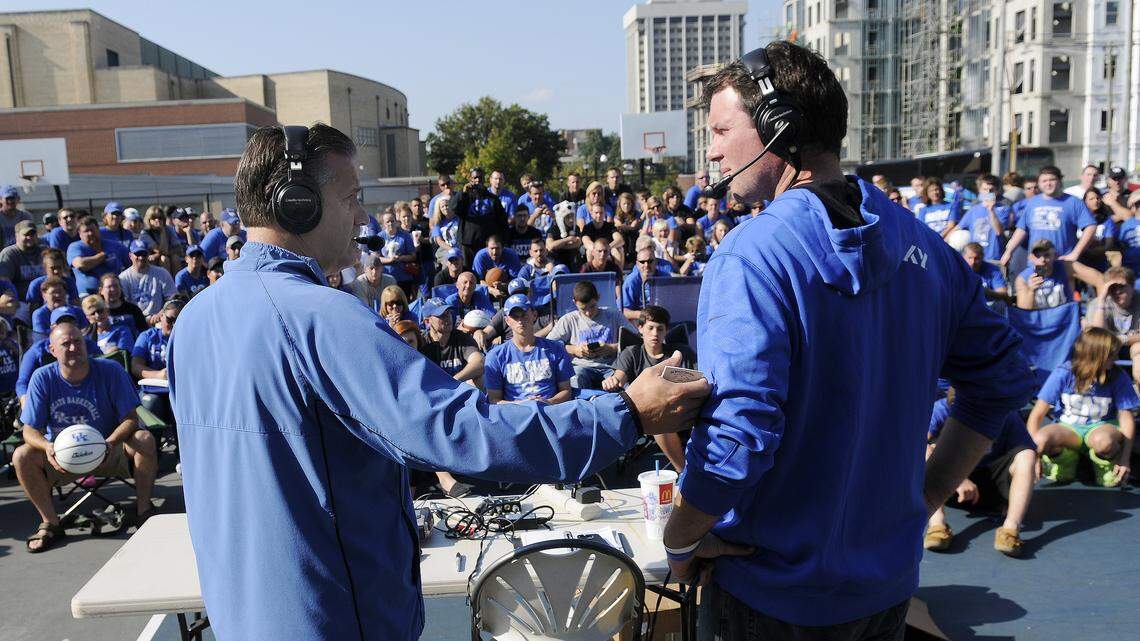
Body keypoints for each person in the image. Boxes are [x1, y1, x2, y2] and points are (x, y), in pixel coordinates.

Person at [167, 124, 708, 640]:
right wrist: (625, 413)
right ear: (298, 203)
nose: (362, 216)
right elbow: (461, 431)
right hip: (333, 622)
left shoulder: (192, 321)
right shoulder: (323, 317)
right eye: (351, 197)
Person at [664, 42, 1033, 638]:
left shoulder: (750, 255)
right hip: (883, 591)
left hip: (768, 597)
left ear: (779, 127)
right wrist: (921, 501)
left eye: (721, 130)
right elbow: (1002, 380)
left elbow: (737, 438)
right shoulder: (926, 247)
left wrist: (681, 540)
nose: (710, 150)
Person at [14, 320, 157, 553]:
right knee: (21, 455)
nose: (73, 348)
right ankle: (50, 523)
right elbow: (29, 430)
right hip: (60, 457)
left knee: (144, 439)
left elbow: (131, 418)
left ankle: (144, 510)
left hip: (109, 450)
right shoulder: (42, 377)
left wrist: (110, 442)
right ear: (52, 350)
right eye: (65, 344)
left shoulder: (111, 371)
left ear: (85, 343)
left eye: (77, 341)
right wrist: (47, 447)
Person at [924, 388, 1038, 556]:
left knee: (1027, 455)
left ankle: (1010, 529)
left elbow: (1028, 448)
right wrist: (959, 478)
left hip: (993, 483)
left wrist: (1032, 467)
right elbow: (918, 445)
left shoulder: (1005, 413)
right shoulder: (942, 409)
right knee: (926, 450)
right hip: (952, 486)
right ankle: (937, 524)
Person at [1028, 327, 1136, 487]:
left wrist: (1125, 459)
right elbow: (1036, 415)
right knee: (1040, 440)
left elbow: (1127, 419)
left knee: (1104, 441)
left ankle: (1104, 464)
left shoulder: (1118, 376)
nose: (1116, 358)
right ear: (1096, 355)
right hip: (1069, 430)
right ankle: (1066, 461)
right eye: (1111, 354)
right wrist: (1033, 456)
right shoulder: (1064, 373)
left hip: (1101, 428)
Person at [602, 305, 697, 471]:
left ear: (666, 331)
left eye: (660, 329)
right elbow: (619, 377)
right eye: (650, 328)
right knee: (658, 419)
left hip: (685, 408)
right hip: (652, 413)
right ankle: (684, 472)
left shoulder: (681, 353)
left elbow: (699, 378)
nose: (655, 333)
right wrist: (612, 381)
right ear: (640, 328)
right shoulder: (632, 353)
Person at [484, 294, 575, 403]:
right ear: (507, 320)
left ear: (534, 315)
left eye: (523, 314)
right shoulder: (495, 356)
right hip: (515, 411)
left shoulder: (556, 349)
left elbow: (566, 390)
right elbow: (494, 399)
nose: (520, 320)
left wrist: (548, 402)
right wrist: (521, 405)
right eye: (514, 316)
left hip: (550, 409)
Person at [545, 281, 635, 389]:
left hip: (612, 367)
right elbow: (548, 345)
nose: (588, 312)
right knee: (576, 378)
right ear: (575, 302)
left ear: (598, 298)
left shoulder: (614, 315)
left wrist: (613, 348)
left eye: (592, 306)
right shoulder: (569, 320)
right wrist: (573, 349)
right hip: (582, 366)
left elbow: (635, 339)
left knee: (624, 382)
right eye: (583, 309)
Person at [1001, 166, 1097, 266]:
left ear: (1060, 181)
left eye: (1052, 180)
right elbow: (1021, 229)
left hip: (1063, 263)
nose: (1048, 184)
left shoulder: (1073, 202)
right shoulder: (1033, 202)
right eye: (1044, 181)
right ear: (1039, 183)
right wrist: (1009, 252)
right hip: (1036, 264)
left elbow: (1091, 227)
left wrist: (1075, 253)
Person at [1085, 266, 1140, 385]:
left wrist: (1122, 339)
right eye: (1113, 287)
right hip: (1108, 349)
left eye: (1121, 287)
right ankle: (1101, 388)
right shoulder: (1098, 304)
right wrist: (1101, 301)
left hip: (1134, 347)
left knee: (1138, 349)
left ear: (1132, 286)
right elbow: (1096, 336)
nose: (1117, 291)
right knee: (1099, 349)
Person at [132, 299, 181, 426]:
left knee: (179, 407)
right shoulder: (148, 337)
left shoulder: (189, 338)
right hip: (153, 389)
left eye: (178, 321)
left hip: (180, 390)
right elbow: (136, 366)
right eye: (170, 320)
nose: (174, 325)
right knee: (150, 404)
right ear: (161, 317)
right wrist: (159, 375)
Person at [451, 167, 509, 265]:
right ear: (470, 179)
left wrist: (502, 241)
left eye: (480, 177)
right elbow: (453, 208)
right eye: (475, 177)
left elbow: (502, 222)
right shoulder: (464, 197)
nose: (477, 180)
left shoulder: (493, 198)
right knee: (467, 270)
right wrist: (463, 192)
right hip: (467, 244)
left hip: (487, 245)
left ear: (484, 179)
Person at [420, 298, 483, 385]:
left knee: (480, 378)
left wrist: (453, 381)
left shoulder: (462, 338)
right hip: (432, 390)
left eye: (448, 313)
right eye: (441, 315)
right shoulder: (421, 341)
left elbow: (479, 362)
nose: (447, 317)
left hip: (458, 388)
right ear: (427, 321)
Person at [67, 216, 131, 295]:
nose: (90, 233)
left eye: (92, 230)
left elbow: (131, 263)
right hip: (88, 295)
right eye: (86, 231)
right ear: (79, 234)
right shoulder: (75, 247)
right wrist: (103, 256)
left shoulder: (115, 246)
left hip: (115, 292)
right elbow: (81, 265)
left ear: (98, 229)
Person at [955, 174, 1011, 262]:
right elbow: (958, 228)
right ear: (980, 190)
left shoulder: (1004, 208)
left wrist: (991, 210)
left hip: (994, 257)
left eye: (991, 190)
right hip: (975, 258)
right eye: (985, 189)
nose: (988, 193)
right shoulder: (974, 209)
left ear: (997, 191)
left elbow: (998, 231)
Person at [119, 240, 176, 320]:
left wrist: (160, 314)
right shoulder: (123, 278)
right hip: (134, 320)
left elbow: (172, 299)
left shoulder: (162, 273)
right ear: (130, 255)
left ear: (148, 254)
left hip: (158, 319)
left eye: (144, 254)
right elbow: (123, 305)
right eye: (138, 254)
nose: (141, 258)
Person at [1015, 239, 1072, 310]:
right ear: (1031, 257)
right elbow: (1023, 311)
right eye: (1038, 256)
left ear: (1055, 256)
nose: (1042, 259)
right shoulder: (1023, 279)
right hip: (1039, 316)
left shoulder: (1066, 268)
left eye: (1046, 255)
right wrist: (1031, 291)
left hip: (1063, 315)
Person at [374, 210, 418, 299]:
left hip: (403, 277)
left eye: (392, 221)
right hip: (386, 277)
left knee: (404, 302)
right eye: (387, 222)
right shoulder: (379, 237)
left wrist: (400, 258)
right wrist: (389, 260)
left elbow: (413, 256)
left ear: (396, 221)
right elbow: (376, 258)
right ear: (383, 224)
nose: (390, 223)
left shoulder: (404, 235)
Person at [0, 220, 45, 300]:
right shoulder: (9, 253)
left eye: (32, 234)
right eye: (26, 234)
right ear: (16, 236)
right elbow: (4, 281)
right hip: (20, 301)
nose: (29, 237)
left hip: (45, 299)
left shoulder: (45, 251)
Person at [99, 273, 146, 339]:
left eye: (116, 286)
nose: (113, 289)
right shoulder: (98, 312)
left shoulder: (133, 309)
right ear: (101, 290)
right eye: (109, 287)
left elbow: (143, 333)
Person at [622, 248, 663, 322]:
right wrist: (643, 314)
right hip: (640, 322)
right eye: (642, 262)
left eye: (650, 261)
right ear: (637, 264)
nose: (646, 265)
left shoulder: (665, 278)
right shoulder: (630, 281)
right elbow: (623, 311)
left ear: (656, 262)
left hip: (663, 319)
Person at [581, 202, 625, 267]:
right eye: (596, 213)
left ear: (604, 214)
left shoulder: (610, 226)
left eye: (601, 213)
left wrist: (607, 248)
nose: (599, 215)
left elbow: (620, 240)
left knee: (618, 249)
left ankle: (618, 272)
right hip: (595, 252)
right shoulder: (587, 228)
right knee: (589, 251)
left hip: (609, 251)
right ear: (591, 214)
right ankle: (592, 272)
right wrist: (599, 251)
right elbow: (586, 242)